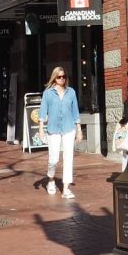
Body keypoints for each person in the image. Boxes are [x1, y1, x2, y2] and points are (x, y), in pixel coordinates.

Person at [39, 65, 79, 200]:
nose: (62, 79)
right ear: (54, 78)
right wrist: (41, 129)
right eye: (59, 77)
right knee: (54, 159)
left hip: (69, 128)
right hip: (53, 129)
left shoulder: (71, 92)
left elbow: (75, 112)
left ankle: (66, 189)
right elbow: (42, 112)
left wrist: (79, 130)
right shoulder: (48, 93)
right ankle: (50, 179)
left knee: (68, 158)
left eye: (64, 77)